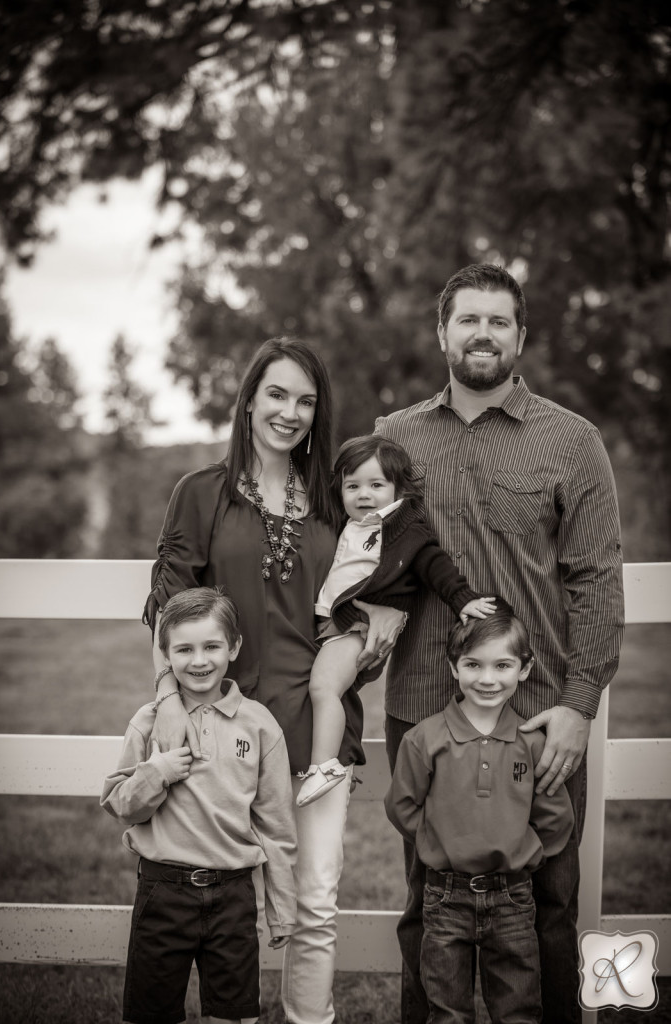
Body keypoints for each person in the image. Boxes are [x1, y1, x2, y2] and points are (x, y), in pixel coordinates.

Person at [375, 263, 625, 1024]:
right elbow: (361, 549)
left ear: (521, 336)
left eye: (499, 321)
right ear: (441, 332)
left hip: (540, 713)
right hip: (423, 706)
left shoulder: (572, 441)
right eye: (468, 319)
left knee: (549, 900)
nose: (482, 333)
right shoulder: (394, 438)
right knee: (428, 898)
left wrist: (580, 705)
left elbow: (596, 582)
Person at [142, 337, 402, 1024]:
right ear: (250, 398)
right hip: (219, 741)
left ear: (319, 412)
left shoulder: (338, 503)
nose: (290, 411)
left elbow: (378, 581)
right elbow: (167, 606)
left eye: (306, 400)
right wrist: (170, 701)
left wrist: (376, 628)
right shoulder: (200, 494)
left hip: (314, 735)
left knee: (314, 904)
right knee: (212, 907)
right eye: (278, 394)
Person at [101, 587, 297, 1024]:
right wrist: (157, 771)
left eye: (212, 646)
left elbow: (277, 826)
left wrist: (282, 910)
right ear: (166, 656)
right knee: (151, 1013)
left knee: (235, 1015)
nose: (199, 660)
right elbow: (119, 805)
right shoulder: (149, 721)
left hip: (234, 895)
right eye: (184, 649)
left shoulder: (260, 725)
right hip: (162, 890)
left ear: (235, 647)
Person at [385, 600, 574, 1023]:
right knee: (447, 1010)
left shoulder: (533, 743)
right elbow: (401, 805)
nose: (487, 679)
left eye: (502, 666)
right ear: (454, 666)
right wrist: (438, 840)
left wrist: (525, 850)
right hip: (444, 897)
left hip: (513, 897)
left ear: (524, 669)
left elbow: (555, 816)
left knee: (518, 1008)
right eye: (473, 665)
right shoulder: (424, 738)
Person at [298, 434, 496, 807]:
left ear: (398, 488)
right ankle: (333, 755)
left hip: (356, 626)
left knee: (323, 688)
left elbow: (434, 564)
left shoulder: (401, 530)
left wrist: (461, 598)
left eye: (376, 485)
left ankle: (325, 765)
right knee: (330, 691)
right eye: (352, 485)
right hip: (333, 623)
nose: (364, 495)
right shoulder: (348, 524)